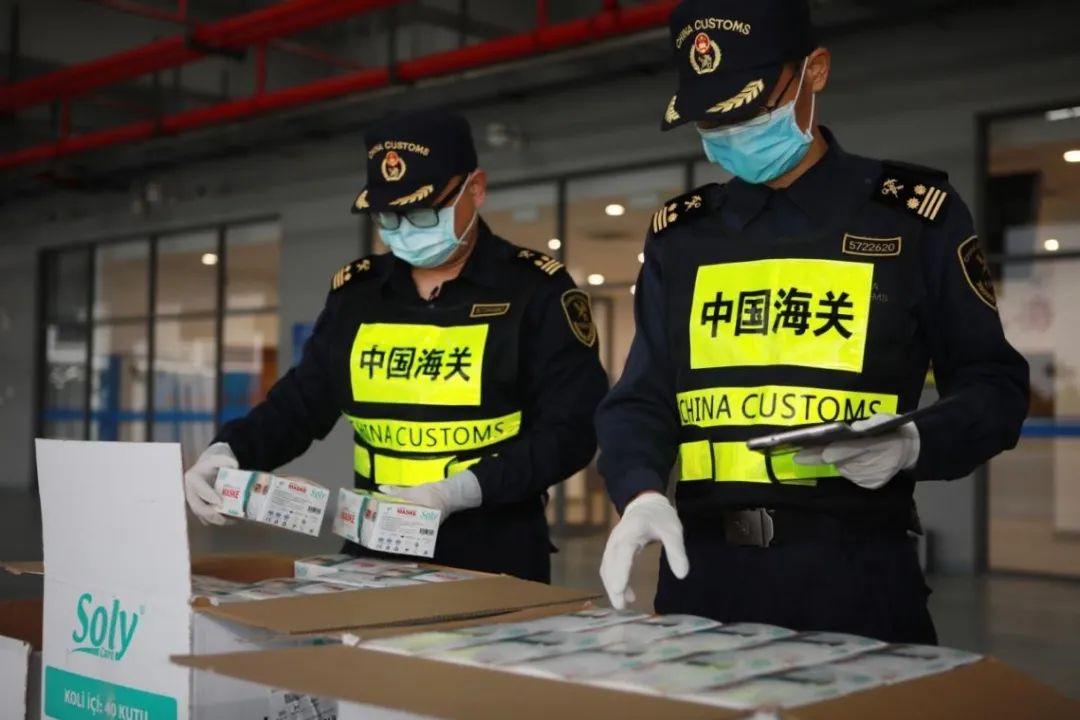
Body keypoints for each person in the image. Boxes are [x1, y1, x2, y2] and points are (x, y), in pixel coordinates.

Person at [596, 0, 1029, 642]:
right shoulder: (683, 237)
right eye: (712, 119)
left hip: (856, 577)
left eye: (747, 110)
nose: (731, 132)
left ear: (814, 72)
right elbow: (642, 397)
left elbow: (996, 387)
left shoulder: (913, 219)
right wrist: (639, 492)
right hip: (704, 579)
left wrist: (915, 442)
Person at [184, 110, 608, 582]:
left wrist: (459, 491)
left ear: (475, 189)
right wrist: (230, 450)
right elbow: (302, 402)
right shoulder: (358, 295)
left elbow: (572, 429)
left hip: (495, 553)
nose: (405, 229)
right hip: (372, 550)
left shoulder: (535, 291)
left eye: (422, 213)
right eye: (388, 216)